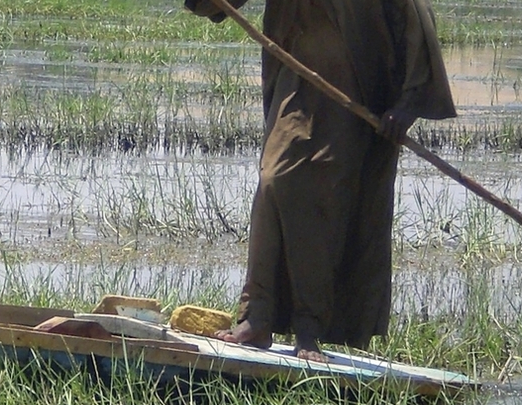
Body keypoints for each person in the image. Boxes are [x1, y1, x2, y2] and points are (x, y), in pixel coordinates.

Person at [184, 0, 457, 362]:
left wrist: (407, 104)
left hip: (356, 95)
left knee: (326, 203)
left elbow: (415, 23)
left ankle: (309, 331)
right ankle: (257, 317)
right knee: (274, 182)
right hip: (296, 85)